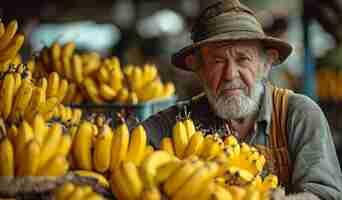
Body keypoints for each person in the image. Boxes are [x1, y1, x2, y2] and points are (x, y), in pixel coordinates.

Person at [140, 0, 342, 199]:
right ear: (198, 69)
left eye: (243, 59)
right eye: (217, 61)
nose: (230, 74)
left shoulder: (298, 113)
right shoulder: (179, 121)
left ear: (266, 64)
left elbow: (326, 194)